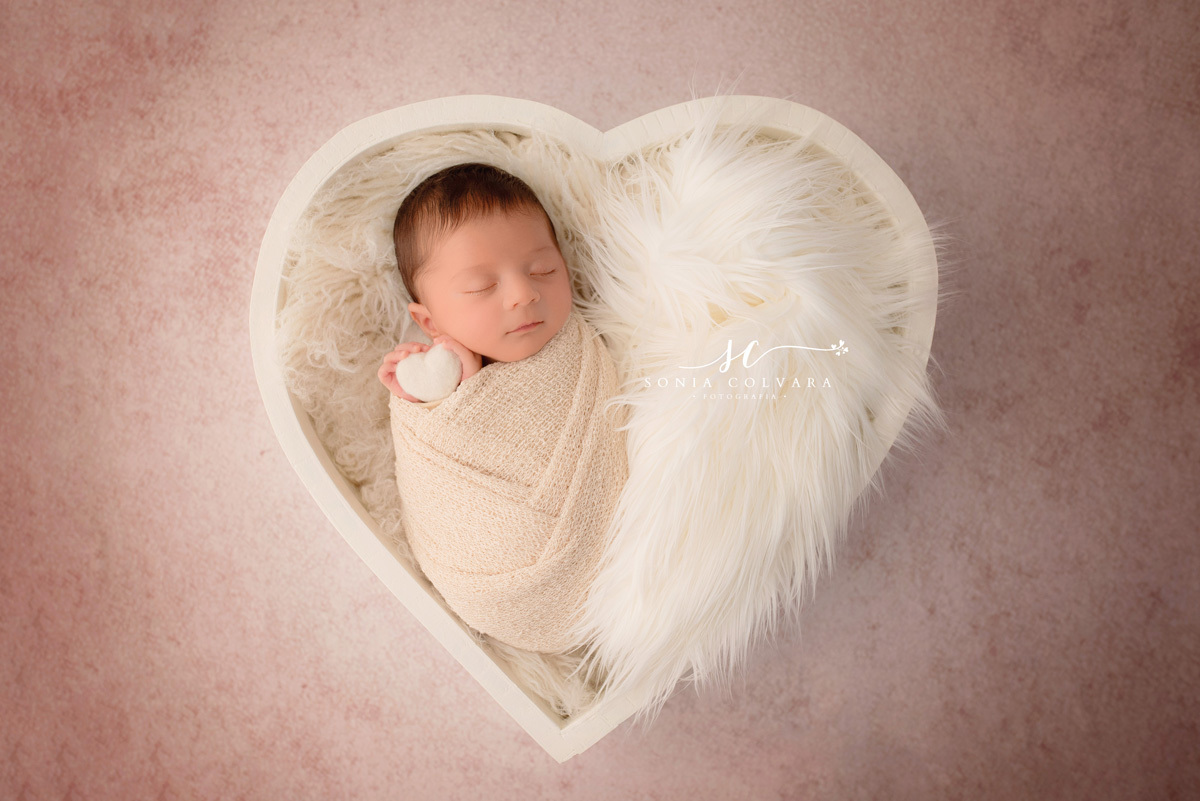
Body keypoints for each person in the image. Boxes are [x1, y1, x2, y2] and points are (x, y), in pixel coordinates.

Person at [377, 162, 574, 404]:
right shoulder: (437, 384)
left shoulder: (585, 340)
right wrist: (432, 396)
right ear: (430, 322)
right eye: (481, 286)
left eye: (543, 270)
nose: (523, 294)